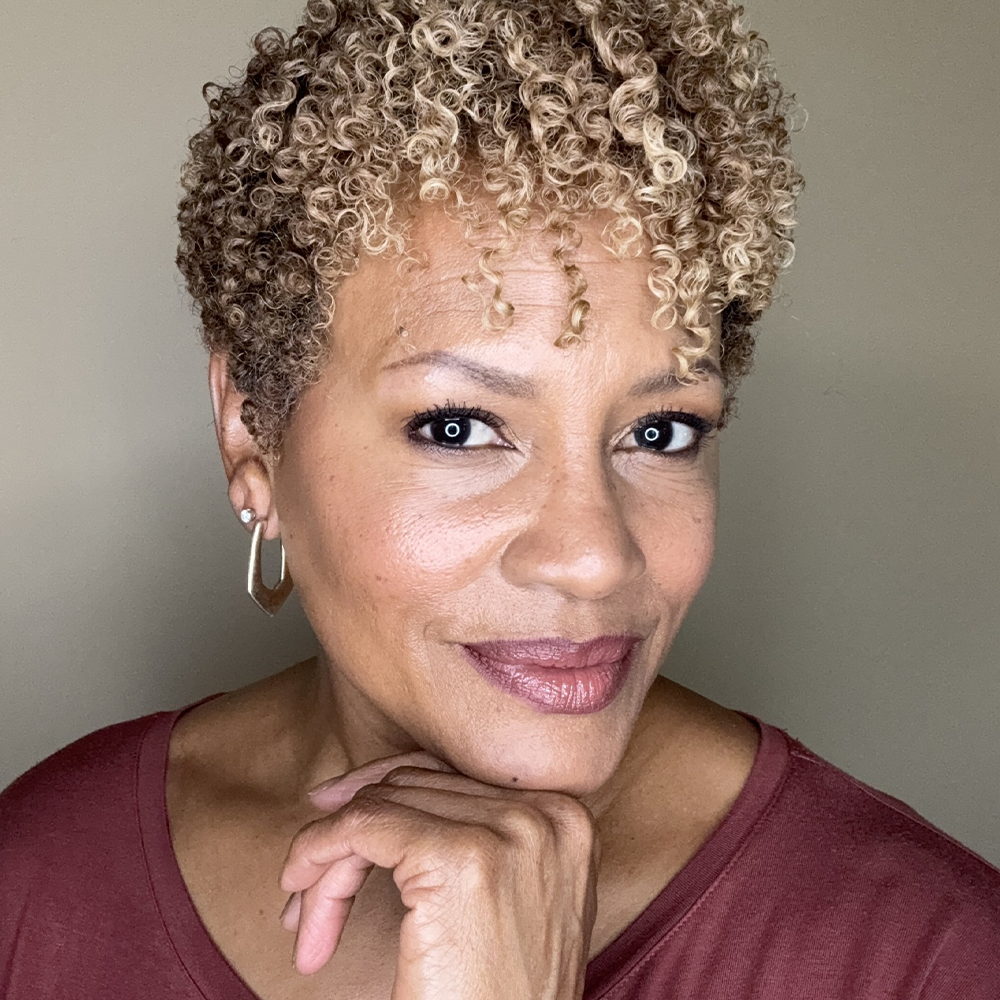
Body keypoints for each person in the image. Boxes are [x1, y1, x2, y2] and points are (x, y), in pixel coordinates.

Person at [1, 0, 998, 996]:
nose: (594, 556)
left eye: (660, 432)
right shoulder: (38, 881)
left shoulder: (927, 958)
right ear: (250, 427)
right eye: (459, 427)